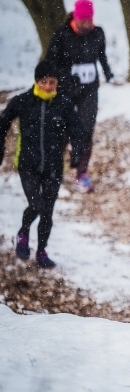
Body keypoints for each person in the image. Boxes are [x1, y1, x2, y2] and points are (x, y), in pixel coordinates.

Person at [0, 62, 85, 269]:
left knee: (47, 211)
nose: (48, 86)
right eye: (44, 82)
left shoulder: (63, 104)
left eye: (52, 82)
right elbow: (2, 125)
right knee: (36, 204)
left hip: (54, 166)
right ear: (37, 81)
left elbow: (77, 131)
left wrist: (77, 154)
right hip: (27, 164)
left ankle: (41, 251)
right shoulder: (23, 101)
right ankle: (23, 233)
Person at [45, 0, 114, 194]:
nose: (87, 25)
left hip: (89, 89)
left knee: (86, 129)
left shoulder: (97, 34)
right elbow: (51, 62)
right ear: (76, 18)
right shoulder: (62, 35)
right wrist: (67, 77)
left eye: (90, 20)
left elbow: (102, 55)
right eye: (84, 21)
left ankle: (81, 172)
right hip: (66, 90)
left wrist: (107, 71)